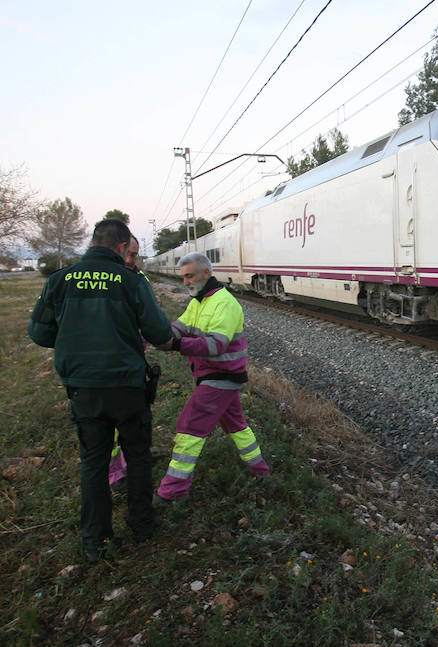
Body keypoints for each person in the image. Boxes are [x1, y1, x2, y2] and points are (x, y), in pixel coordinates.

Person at [28, 220, 173, 562]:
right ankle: (142, 526)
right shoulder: (131, 281)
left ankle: (96, 542)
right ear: (123, 248)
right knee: (137, 456)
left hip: (84, 390)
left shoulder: (59, 280)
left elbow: (39, 333)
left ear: (94, 242)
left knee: (93, 463)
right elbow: (158, 331)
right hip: (127, 387)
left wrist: (72, 339)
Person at [154, 251, 270, 505]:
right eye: (183, 277)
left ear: (206, 273)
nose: (185, 282)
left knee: (190, 427)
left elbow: (216, 345)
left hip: (221, 376)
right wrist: (155, 333)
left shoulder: (224, 303)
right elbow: (179, 327)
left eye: (189, 276)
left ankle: (173, 490)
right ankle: (260, 470)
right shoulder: (199, 301)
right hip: (215, 375)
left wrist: (174, 345)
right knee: (236, 424)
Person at [109, 236, 151, 492]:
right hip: (110, 365)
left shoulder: (138, 277)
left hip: (134, 361)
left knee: (136, 419)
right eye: (131, 254)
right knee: (113, 427)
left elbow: (150, 312)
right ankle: (115, 474)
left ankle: (128, 464)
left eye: (136, 255)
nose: (133, 261)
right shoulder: (104, 279)